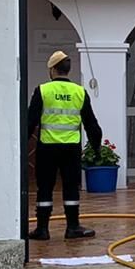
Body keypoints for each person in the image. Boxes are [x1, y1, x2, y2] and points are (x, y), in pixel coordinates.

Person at [26, 50, 103, 241]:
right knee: (70, 186)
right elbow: (92, 125)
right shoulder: (79, 92)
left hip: (47, 147)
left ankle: (42, 229)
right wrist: (96, 148)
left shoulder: (42, 90)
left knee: (44, 187)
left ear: (52, 70)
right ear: (68, 70)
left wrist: (21, 148)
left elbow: (29, 122)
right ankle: (73, 227)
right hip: (71, 148)